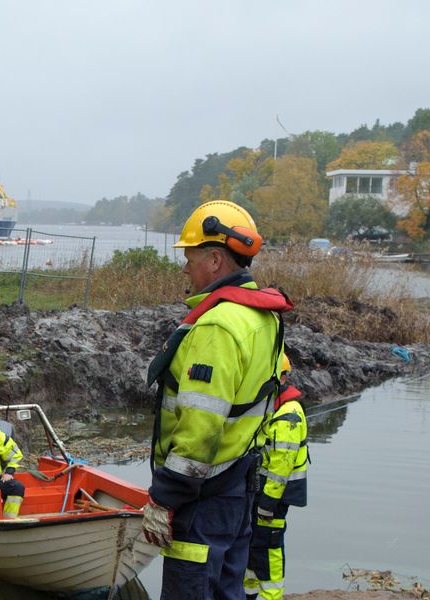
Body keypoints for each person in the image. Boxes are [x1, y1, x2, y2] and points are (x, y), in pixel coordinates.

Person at [142, 200, 292, 600]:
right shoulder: (263, 318)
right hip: (238, 486)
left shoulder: (217, 326)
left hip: (201, 498)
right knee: (228, 590)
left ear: (213, 259)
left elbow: (201, 424)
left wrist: (163, 497)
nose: (184, 267)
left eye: (190, 257)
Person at [243, 355, 309, 600]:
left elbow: (282, 466)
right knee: (252, 546)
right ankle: (247, 594)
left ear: (281, 377)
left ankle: (272, 596)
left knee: (268, 547)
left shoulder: (288, 414)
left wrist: (268, 503)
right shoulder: (274, 405)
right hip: (262, 492)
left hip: (274, 497)